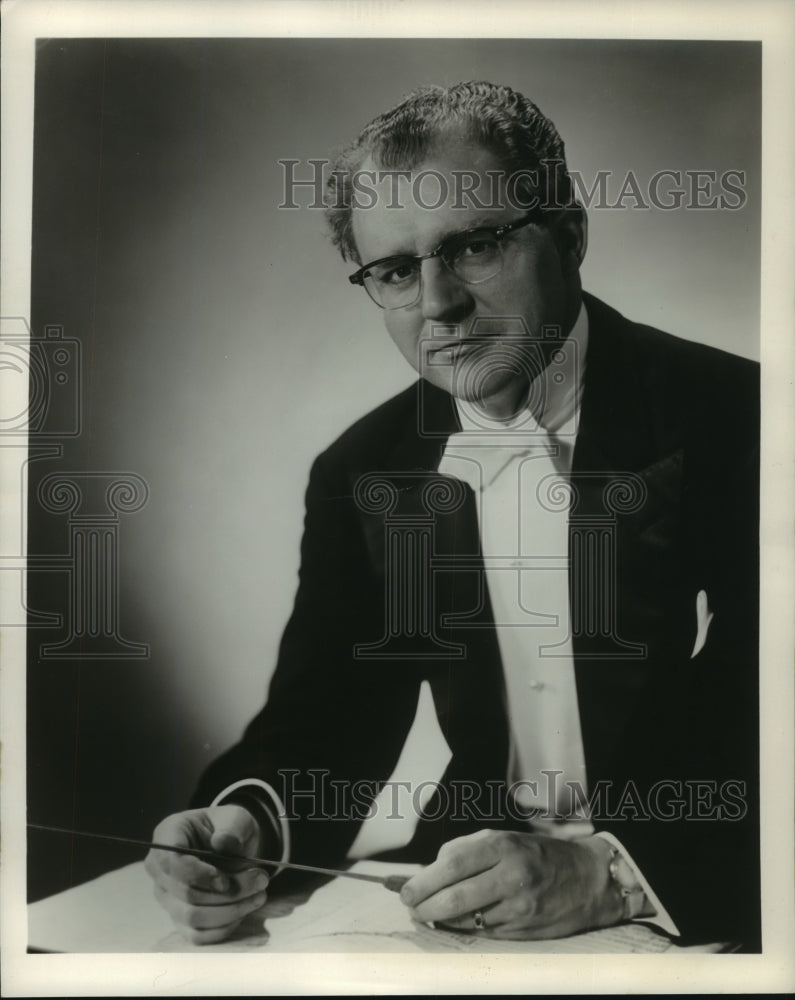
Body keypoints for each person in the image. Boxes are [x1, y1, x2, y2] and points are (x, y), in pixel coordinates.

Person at [145, 82, 760, 948]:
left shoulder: (751, 419)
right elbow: (325, 717)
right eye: (396, 270)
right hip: (461, 903)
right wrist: (247, 826)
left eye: (473, 247)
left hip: (708, 901)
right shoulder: (362, 468)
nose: (437, 304)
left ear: (571, 236)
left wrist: (615, 873)